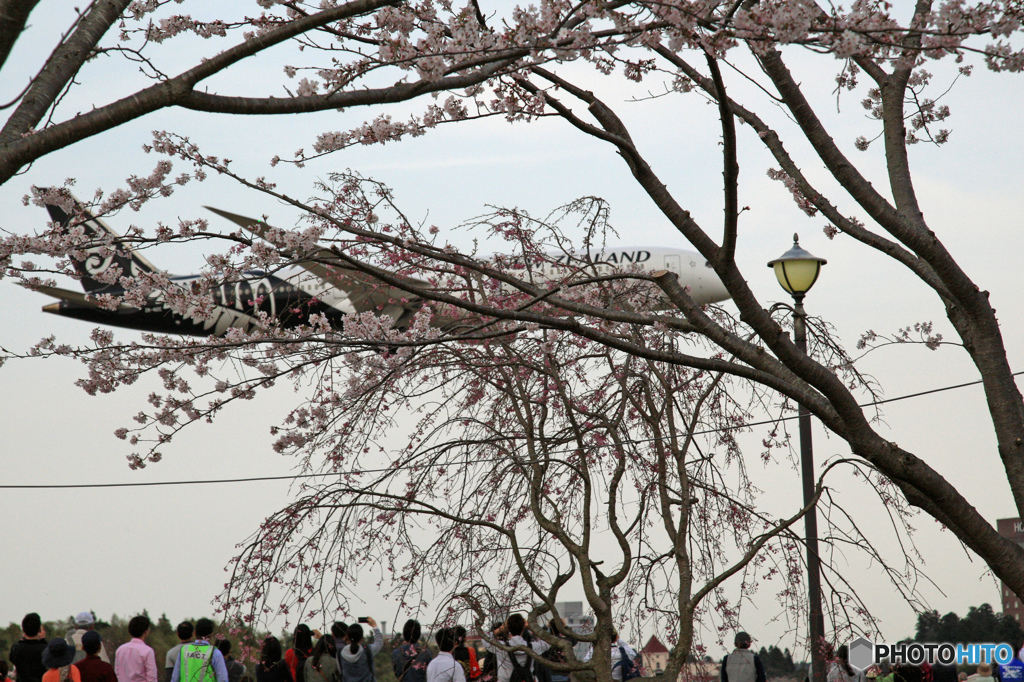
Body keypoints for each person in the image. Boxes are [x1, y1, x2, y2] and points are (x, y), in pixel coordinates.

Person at [482, 614, 550, 682]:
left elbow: (484, 638)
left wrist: (501, 628)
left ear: (508, 628)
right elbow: (548, 641)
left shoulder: (501, 647)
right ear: (523, 628)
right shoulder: (533, 647)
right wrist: (531, 627)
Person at [115, 616, 157, 682]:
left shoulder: (120, 650)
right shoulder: (147, 651)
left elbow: (117, 674)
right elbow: (152, 678)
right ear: (145, 632)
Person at [10, 613, 49, 682]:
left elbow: (12, 658)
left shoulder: (16, 649)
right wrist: (43, 639)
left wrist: (22, 639)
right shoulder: (45, 649)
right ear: (39, 629)